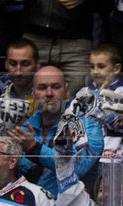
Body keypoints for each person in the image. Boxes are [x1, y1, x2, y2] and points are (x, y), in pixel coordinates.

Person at [11, 64, 104, 197]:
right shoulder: (24, 129)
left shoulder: (90, 128)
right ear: (34, 94)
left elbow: (80, 167)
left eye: (55, 87)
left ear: (66, 92)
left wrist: (34, 149)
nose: (49, 93)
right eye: (42, 88)